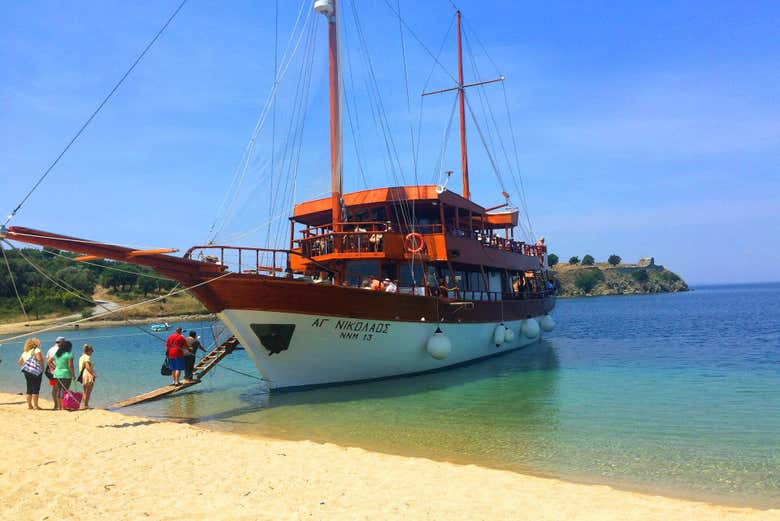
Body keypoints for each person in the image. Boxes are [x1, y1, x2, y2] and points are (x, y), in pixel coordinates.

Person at [18, 338, 44, 410]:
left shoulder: (25, 352)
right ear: (36, 344)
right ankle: (36, 406)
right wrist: (42, 368)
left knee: (29, 388)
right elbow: (39, 359)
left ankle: (29, 405)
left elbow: (19, 362)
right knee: (36, 388)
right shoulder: (37, 350)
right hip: (35, 372)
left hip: (27, 372)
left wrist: (26, 368)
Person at [52, 340, 75, 411]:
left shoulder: (57, 354)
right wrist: (73, 375)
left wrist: (54, 368)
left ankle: (60, 407)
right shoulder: (69, 354)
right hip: (66, 374)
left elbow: (49, 361)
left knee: (59, 390)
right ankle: (64, 407)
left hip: (57, 374)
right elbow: (70, 366)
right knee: (65, 391)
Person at [46, 336, 65, 408]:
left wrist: (52, 368)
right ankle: (61, 406)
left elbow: (47, 360)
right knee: (60, 388)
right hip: (59, 371)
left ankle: (56, 404)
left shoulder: (50, 349)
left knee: (54, 388)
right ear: (61, 342)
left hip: (51, 372)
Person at [78, 344, 96, 409]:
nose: (92, 352)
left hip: (82, 374)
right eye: (91, 351)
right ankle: (86, 405)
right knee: (88, 390)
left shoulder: (81, 357)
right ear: (88, 351)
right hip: (87, 373)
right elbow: (87, 367)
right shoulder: (86, 357)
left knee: (84, 390)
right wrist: (93, 374)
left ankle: (84, 404)